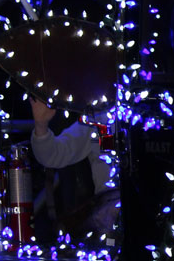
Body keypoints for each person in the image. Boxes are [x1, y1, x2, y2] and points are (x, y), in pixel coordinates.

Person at [29, 96, 119, 242]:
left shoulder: (163, 112)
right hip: (110, 226)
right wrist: (41, 124)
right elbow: (53, 155)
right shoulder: (99, 118)